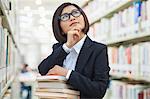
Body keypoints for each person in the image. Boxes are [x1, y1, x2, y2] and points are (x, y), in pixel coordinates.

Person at [38, 2, 110, 99]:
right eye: (65, 17)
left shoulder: (98, 50)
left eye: (75, 13)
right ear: (60, 28)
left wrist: (67, 73)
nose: (72, 18)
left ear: (83, 18)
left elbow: (99, 90)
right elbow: (43, 70)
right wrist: (68, 46)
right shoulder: (59, 48)